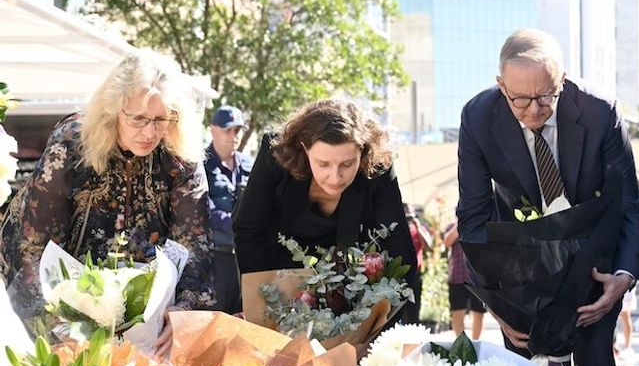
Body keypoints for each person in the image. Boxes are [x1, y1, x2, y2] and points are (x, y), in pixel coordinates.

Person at [456, 28, 639, 366]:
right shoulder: (478, 117)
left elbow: (629, 204)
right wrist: (498, 305)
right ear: (501, 84)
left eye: (546, 96)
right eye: (520, 99)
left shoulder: (600, 111)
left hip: (594, 261)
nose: (534, 110)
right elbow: (474, 217)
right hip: (521, 266)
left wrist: (623, 276)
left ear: (564, 79)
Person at [0, 49, 214, 322]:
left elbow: (194, 242)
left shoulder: (178, 147)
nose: (150, 133)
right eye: (137, 118)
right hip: (65, 288)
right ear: (112, 109)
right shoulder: (73, 142)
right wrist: (56, 322)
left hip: (145, 303)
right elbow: (33, 246)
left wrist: (182, 309)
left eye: (160, 119)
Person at [231, 99, 420, 318]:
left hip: (348, 292)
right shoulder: (276, 154)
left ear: (364, 151)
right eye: (323, 164)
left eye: (347, 164)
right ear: (303, 147)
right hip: (274, 277)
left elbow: (399, 248)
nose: (335, 176)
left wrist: (377, 319)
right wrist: (260, 304)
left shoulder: (378, 166)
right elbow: (248, 231)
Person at [205, 105, 252, 314]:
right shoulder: (200, 165)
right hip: (215, 261)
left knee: (245, 320)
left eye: (237, 130)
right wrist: (241, 224)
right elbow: (204, 210)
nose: (233, 136)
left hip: (245, 259)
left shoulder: (249, 164)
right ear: (212, 129)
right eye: (227, 130)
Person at [443, 219, 486, 339]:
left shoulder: (479, 225)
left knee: (478, 313)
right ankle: (461, 344)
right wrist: (460, 223)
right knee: (457, 313)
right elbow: (446, 242)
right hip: (457, 277)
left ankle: (475, 344)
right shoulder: (452, 226)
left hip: (477, 279)